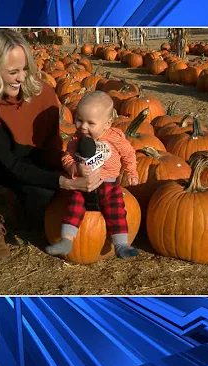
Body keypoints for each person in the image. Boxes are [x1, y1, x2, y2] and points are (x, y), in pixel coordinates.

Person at [0, 29, 103, 261]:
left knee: (39, 209)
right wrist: (63, 182)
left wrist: (71, 171)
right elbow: (10, 163)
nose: (22, 78)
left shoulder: (44, 95)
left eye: (25, 69)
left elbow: (51, 148)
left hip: (28, 161)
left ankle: (17, 202)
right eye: (13, 72)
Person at [45, 91, 139, 259]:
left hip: (108, 185)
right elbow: (66, 156)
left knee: (117, 210)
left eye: (90, 123)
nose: (83, 127)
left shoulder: (115, 138)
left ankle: (121, 244)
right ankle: (66, 240)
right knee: (74, 207)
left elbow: (129, 154)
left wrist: (132, 172)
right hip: (82, 184)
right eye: (79, 120)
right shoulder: (76, 139)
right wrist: (73, 167)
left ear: (107, 124)